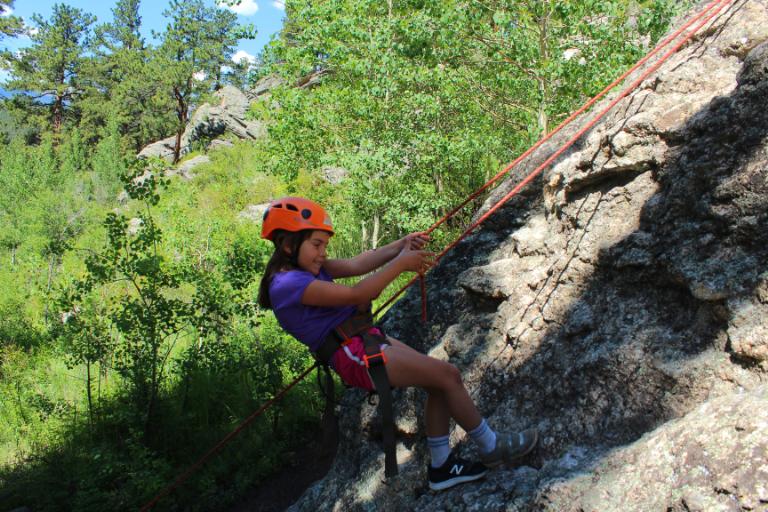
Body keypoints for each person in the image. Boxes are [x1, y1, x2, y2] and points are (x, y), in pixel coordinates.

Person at [257, 197, 538, 491]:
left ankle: (442, 467)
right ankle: (491, 446)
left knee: (439, 382)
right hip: (353, 354)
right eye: (317, 244)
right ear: (288, 245)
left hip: (363, 341)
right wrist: (401, 263)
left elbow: (357, 263)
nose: (323, 253)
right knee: (448, 375)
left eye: (325, 245)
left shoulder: (309, 268)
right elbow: (357, 294)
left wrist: (400, 245)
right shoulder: (287, 285)